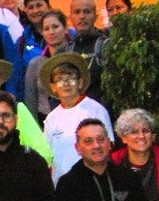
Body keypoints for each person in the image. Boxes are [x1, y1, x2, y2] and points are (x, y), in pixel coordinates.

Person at [40, 53, 113, 182]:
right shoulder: (51, 118)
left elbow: (108, 147)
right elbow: (48, 156)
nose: (66, 83)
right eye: (60, 79)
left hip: (92, 182)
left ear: (80, 83)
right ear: (53, 87)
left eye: (71, 78)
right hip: (60, 184)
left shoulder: (96, 110)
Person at [22, 9, 71, 120]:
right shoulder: (36, 64)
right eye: (46, 29)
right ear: (42, 33)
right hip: (44, 121)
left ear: (65, 29)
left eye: (55, 27)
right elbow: (31, 100)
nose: (51, 32)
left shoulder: (75, 59)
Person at [67, 0, 109, 103]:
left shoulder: (106, 46)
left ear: (95, 16)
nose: (82, 16)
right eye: (77, 12)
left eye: (87, 12)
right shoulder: (66, 51)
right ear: (70, 17)